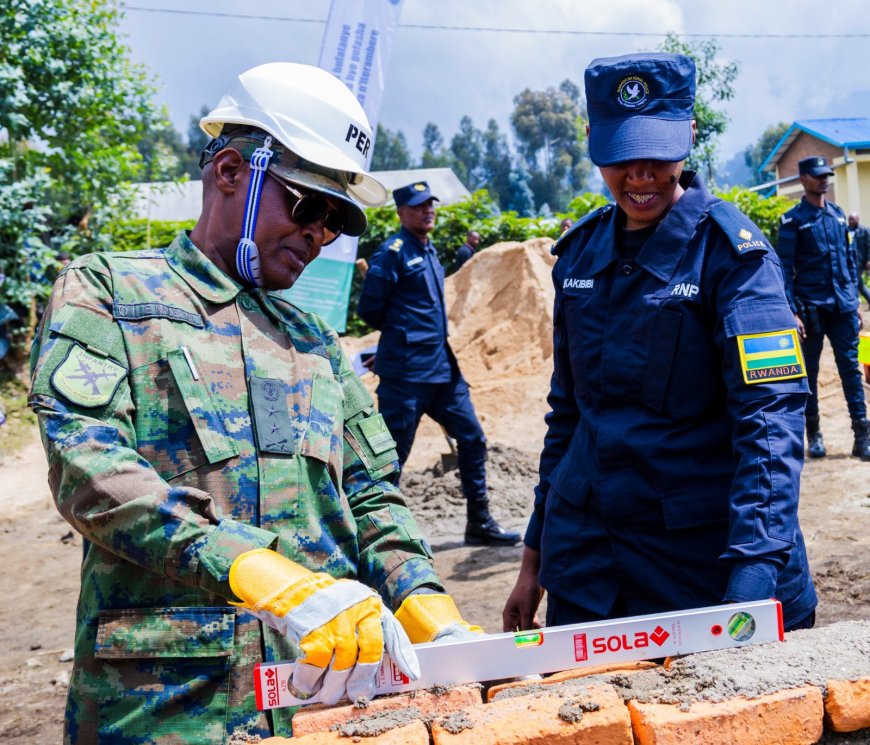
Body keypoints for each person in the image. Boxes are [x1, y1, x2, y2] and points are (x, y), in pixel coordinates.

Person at [29, 63, 479, 744]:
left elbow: (371, 498)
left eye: (334, 221)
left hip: (322, 709)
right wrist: (262, 573)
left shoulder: (316, 342)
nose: (318, 234)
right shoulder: (109, 295)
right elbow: (90, 470)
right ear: (231, 171)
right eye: (306, 206)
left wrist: (425, 604)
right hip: (168, 713)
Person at [503, 52, 818, 636]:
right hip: (592, 572)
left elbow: (770, 421)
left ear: (690, 136)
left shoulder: (736, 260)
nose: (640, 174)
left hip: (702, 567)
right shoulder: (579, 257)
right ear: (592, 141)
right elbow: (568, 416)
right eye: (621, 156)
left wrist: (753, 575)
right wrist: (534, 559)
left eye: (657, 153)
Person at [358, 182, 520, 547]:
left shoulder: (428, 251)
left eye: (430, 204)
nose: (427, 210)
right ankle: (379, 536)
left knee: (473, 438)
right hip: (406, 374)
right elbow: (369, 309)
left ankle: (479, 522)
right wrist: (401, 337)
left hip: (443, 371)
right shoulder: (393, 253)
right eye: (418, 206)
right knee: (391, 457)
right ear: (401, 213)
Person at [777, 158, 870, 461]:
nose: (824, 180)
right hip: (811, 309)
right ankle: (814, 433)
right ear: (803, 179)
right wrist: (791, 311)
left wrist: (854, 302)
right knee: (809, 373)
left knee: (851, 371)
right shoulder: (793, 221)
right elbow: (784, 270)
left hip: (842, 307)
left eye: (826, 175)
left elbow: (848, 262)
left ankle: (862, 435)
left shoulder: (839, 216)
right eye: (818, 176)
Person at [847, 212, 870, 310]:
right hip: (849, 260)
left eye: (853, 219)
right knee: (859, 284)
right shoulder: (846, 230)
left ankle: (855, 305)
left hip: (860, 261)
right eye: (849, 219)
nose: (851, 221)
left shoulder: (865, 230)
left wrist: (868, 260)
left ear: (858, 219)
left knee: (854, 282)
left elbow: (869, 246)